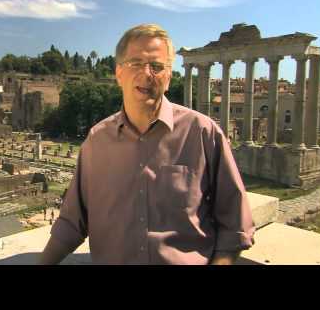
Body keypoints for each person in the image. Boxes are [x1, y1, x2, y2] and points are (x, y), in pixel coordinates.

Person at [38, 24, 255, 265]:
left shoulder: (204, 133)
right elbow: (71, 223)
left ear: (169, 77)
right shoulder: (96, 141)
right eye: (136, 63)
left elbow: (234, 227)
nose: (147, 74)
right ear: (119, 73)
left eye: (157, 66)